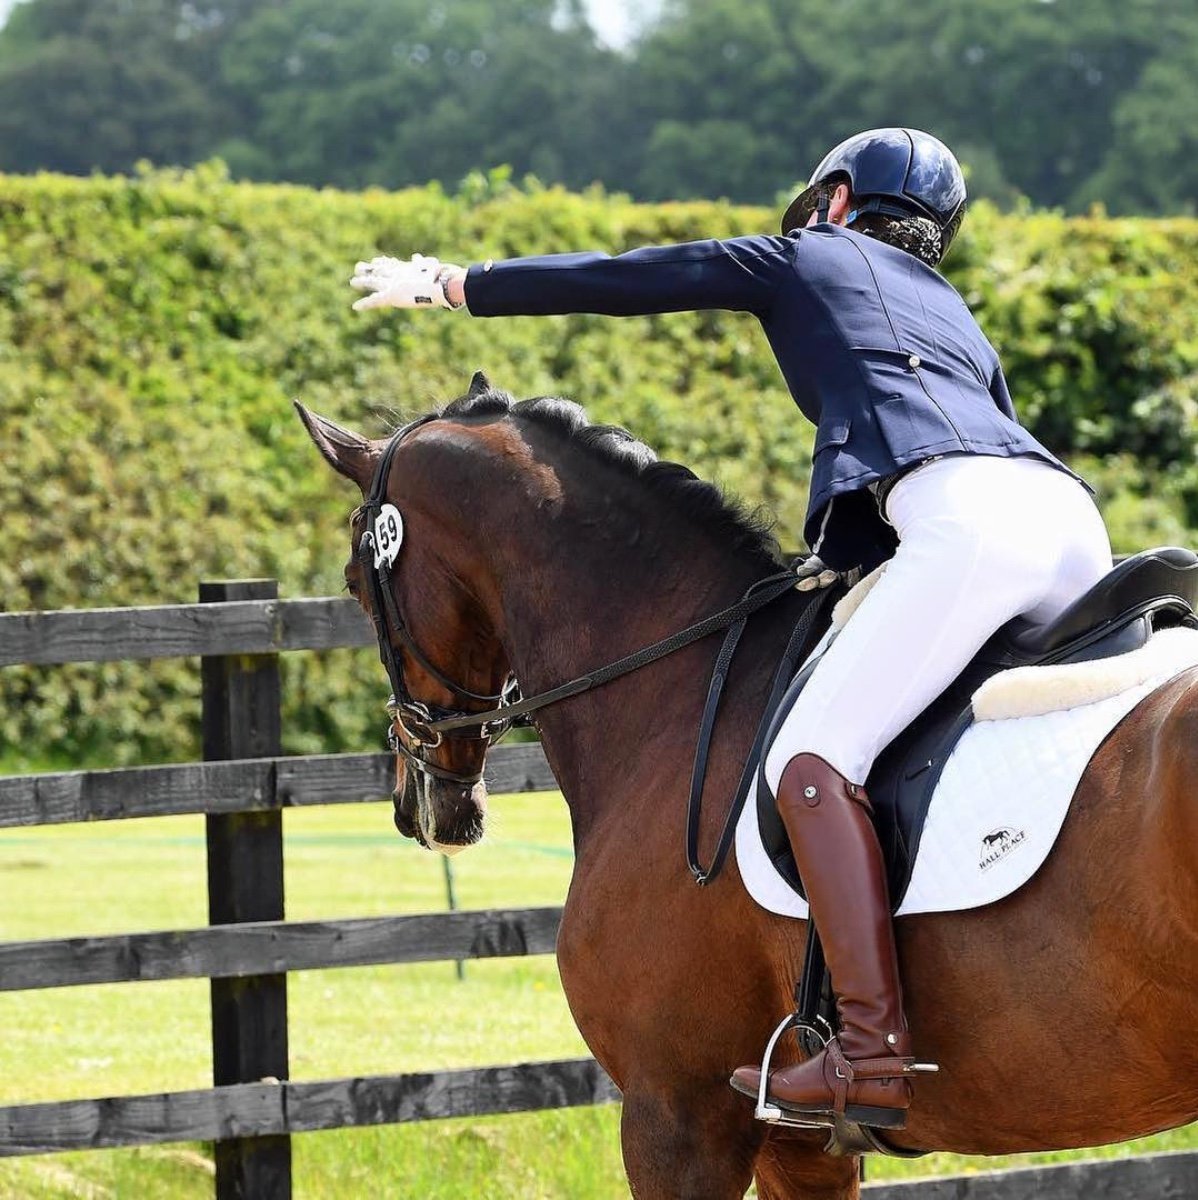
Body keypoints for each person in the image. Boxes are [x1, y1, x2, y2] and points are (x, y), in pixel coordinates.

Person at [349, 127, 1113, 1130]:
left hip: (965, 527)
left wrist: (455, 284)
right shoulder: (953, 313)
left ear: (837, 201)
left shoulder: (809, 254)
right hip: (1070, 522)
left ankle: (867, 1054)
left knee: (811, 760)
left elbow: (635, 276)